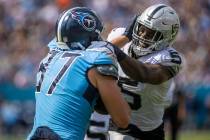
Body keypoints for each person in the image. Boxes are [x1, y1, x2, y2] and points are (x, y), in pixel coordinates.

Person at [27, 7, 131, 140]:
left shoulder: (48, 59)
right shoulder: (94, 63)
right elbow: (123, 119)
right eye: (96, 35)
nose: (99, 39)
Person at [85, 3, 183, 140]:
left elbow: (145, 74)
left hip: (146, 132)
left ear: (166, 38)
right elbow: (91, 59)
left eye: (151, 34)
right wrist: (123, 39)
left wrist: (117, 51)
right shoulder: (120, 36)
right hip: (113, 123)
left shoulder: (170, 58)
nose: (142, 36)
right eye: (142, 29)